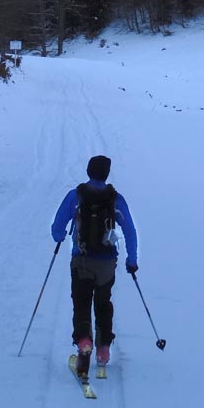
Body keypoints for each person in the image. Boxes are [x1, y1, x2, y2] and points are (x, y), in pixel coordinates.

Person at [51, 155, 138, 378]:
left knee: (81, 303)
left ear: (88, 171)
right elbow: (130, 231)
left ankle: (84, 342)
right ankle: (103, 350)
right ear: (106, 173)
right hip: (107, 263)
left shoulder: (75, 196)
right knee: (103, 303)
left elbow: (57, 228)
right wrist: (132, 260)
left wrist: (60, 236)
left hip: (81, 260)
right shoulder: (115, 199)